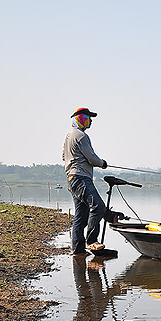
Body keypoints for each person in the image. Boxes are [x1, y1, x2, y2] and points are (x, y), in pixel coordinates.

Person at [63, 107, 108, 255]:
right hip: (81, 178)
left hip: (72, 178)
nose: (90, 121)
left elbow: (64, 156)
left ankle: (78, 251)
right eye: (88, 118)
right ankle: (91, 241)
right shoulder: (81, 136)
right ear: (81, 119)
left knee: (81, 215)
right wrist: (102, 163)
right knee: (98, 206)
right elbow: (92, 158)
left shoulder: (69, 136)